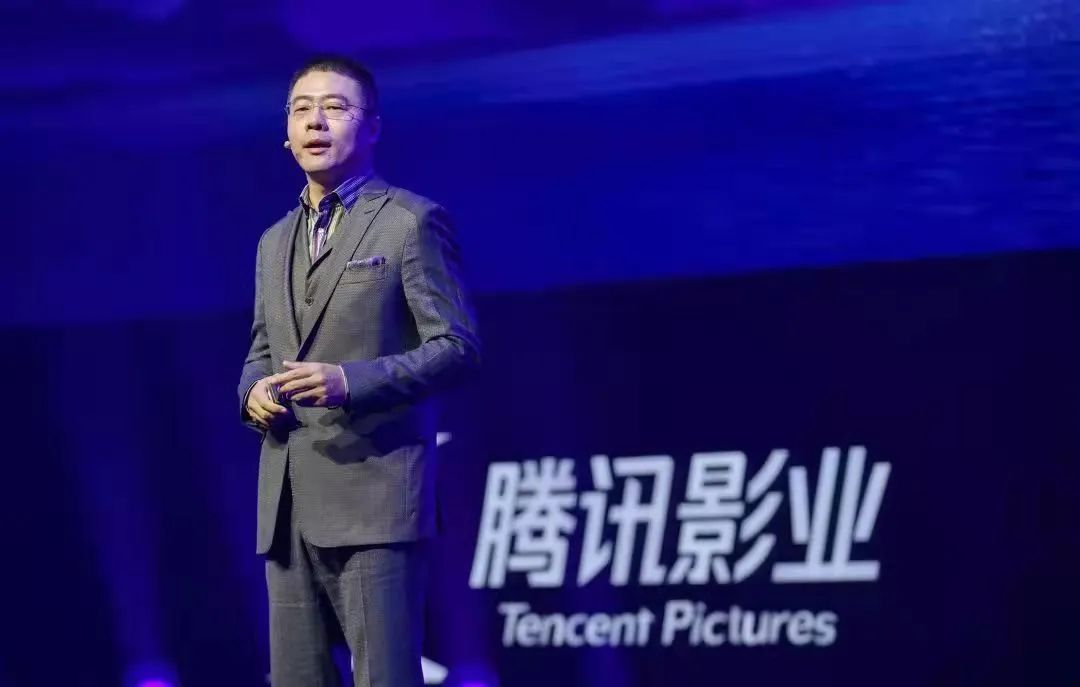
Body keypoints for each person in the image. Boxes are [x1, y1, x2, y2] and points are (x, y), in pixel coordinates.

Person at [237, 54, 480, 687]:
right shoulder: (272, 241)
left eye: (335, 108)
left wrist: (351, 382)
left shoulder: (409, 222)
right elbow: (262, 348)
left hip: (375, 498)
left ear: (371, 127)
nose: (315, 121)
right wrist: (253, 390)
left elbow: (456, 346)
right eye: (301, 109)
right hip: (287, 502)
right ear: (286, 133)